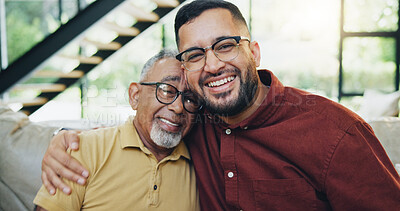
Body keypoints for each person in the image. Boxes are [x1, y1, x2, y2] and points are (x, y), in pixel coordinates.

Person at [41, 1, 400, 210]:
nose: (212, 65)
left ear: (254, 52)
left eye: (225, 45)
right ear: (186, 68)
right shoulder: (197, 122)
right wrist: (64, 139)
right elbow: (147, 125)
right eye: (195, 54)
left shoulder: (334, 132)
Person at [33, 50, 201, 210]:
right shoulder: (84, 149)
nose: (178, 107)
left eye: (190, 98)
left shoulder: (201, 164)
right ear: (135, 96)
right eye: (166, 90)